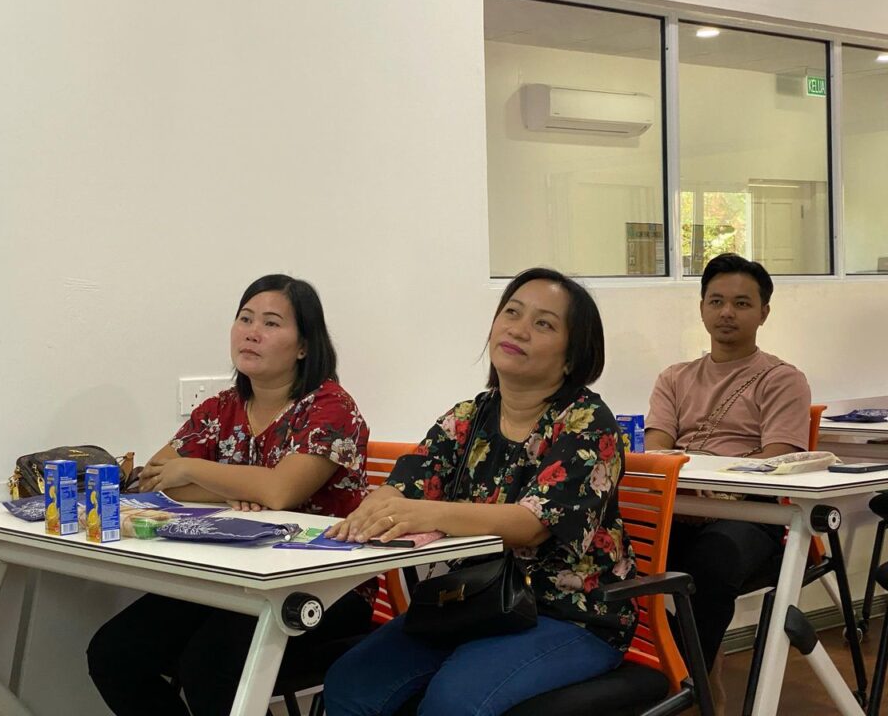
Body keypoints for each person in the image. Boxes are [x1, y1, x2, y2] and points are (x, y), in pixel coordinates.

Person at [323, 267, 638, 716]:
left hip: (569, 613)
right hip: (473, 602)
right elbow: (401, 486)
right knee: (350, 682)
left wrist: (427, 513)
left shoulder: (587, 422)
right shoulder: (468, 417)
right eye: (512, 312)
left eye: (543, 323)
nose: (518, 329)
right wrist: (378, 509)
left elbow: (530, 524)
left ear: (572, 357)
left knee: (454, 702)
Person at [86, 274, 371, 716]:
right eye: (245, 319)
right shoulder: (221, 408)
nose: (252, 332)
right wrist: (231, 488)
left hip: (323, 587)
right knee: (114, 654)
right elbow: (154, 479)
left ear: (303, 346)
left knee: (210, 666)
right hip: (234, 577)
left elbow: (280, 491)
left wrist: (195, 470)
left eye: (271, 323)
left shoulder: (331, 408)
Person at [645, 253, 811, 680]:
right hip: (680, 508)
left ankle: (683, 684)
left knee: (711, 562)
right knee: (611, 548)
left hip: (753, 515)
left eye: (741, 303)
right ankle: (639, 668)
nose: (726, 313)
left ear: (763, 313)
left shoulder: (782, 379)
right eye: (716, 301)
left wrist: (712, 484)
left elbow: (776, 461)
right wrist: (688, 485)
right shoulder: (674, 378)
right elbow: (657, 450)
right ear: (702, 308)